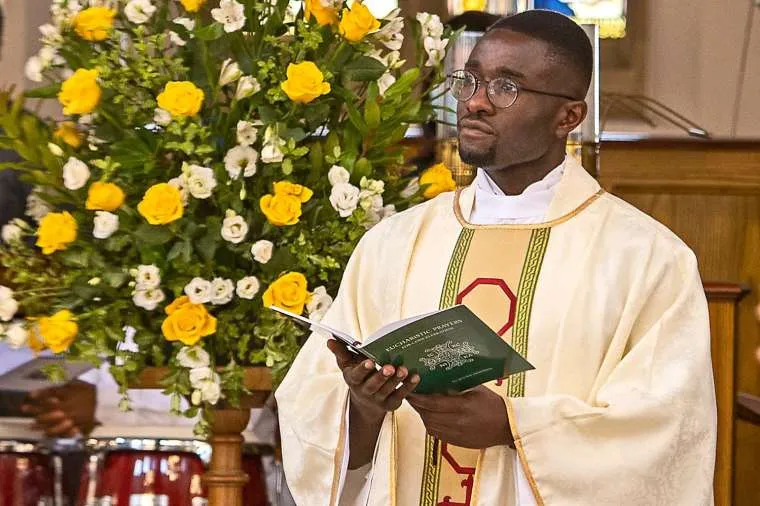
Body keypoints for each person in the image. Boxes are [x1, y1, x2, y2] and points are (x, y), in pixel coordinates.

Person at [276, 10, 716, 506]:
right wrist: (363, 404)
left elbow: (665, 432)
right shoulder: (394, 244)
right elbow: (310, 412)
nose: (476, 103)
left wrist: (516, 428)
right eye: (470, 80)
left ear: (569, 117)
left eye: (507, 87)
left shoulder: (646, 259)